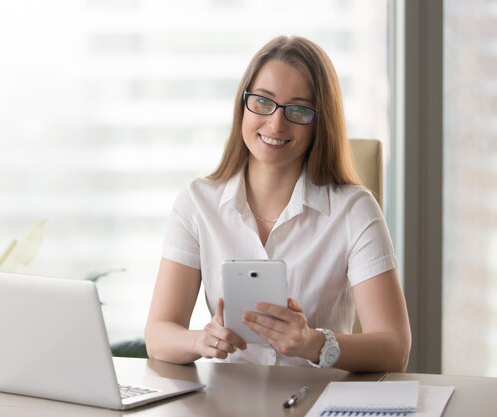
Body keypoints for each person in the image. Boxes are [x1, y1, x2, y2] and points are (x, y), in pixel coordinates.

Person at [144, 35, 411, 372]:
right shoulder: (197, 202)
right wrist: (201, 340)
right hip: (227, 404)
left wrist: (313, 343)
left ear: (319, 122)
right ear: (243, 103)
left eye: (298, 109)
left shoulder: (354, 210)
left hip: (317, 402)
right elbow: (158, 335)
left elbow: (394, 348)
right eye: (263, 101)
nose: (275, 123)